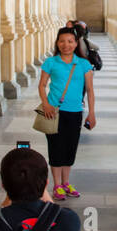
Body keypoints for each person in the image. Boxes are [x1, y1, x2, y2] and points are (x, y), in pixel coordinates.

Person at [39, 26, 96, 200]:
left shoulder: (84, 64)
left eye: (70, 41)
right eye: (62, 41)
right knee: (56, 147)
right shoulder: (50, 62)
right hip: (54, 112)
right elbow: (42, 85)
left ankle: (66, 183)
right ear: (57, 43)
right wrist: (46, 104)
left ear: (76, 43)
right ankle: (57, 185)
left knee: (70, 148)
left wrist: (91, 113)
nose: (66, 45)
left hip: (75, 112)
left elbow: (90, 89)